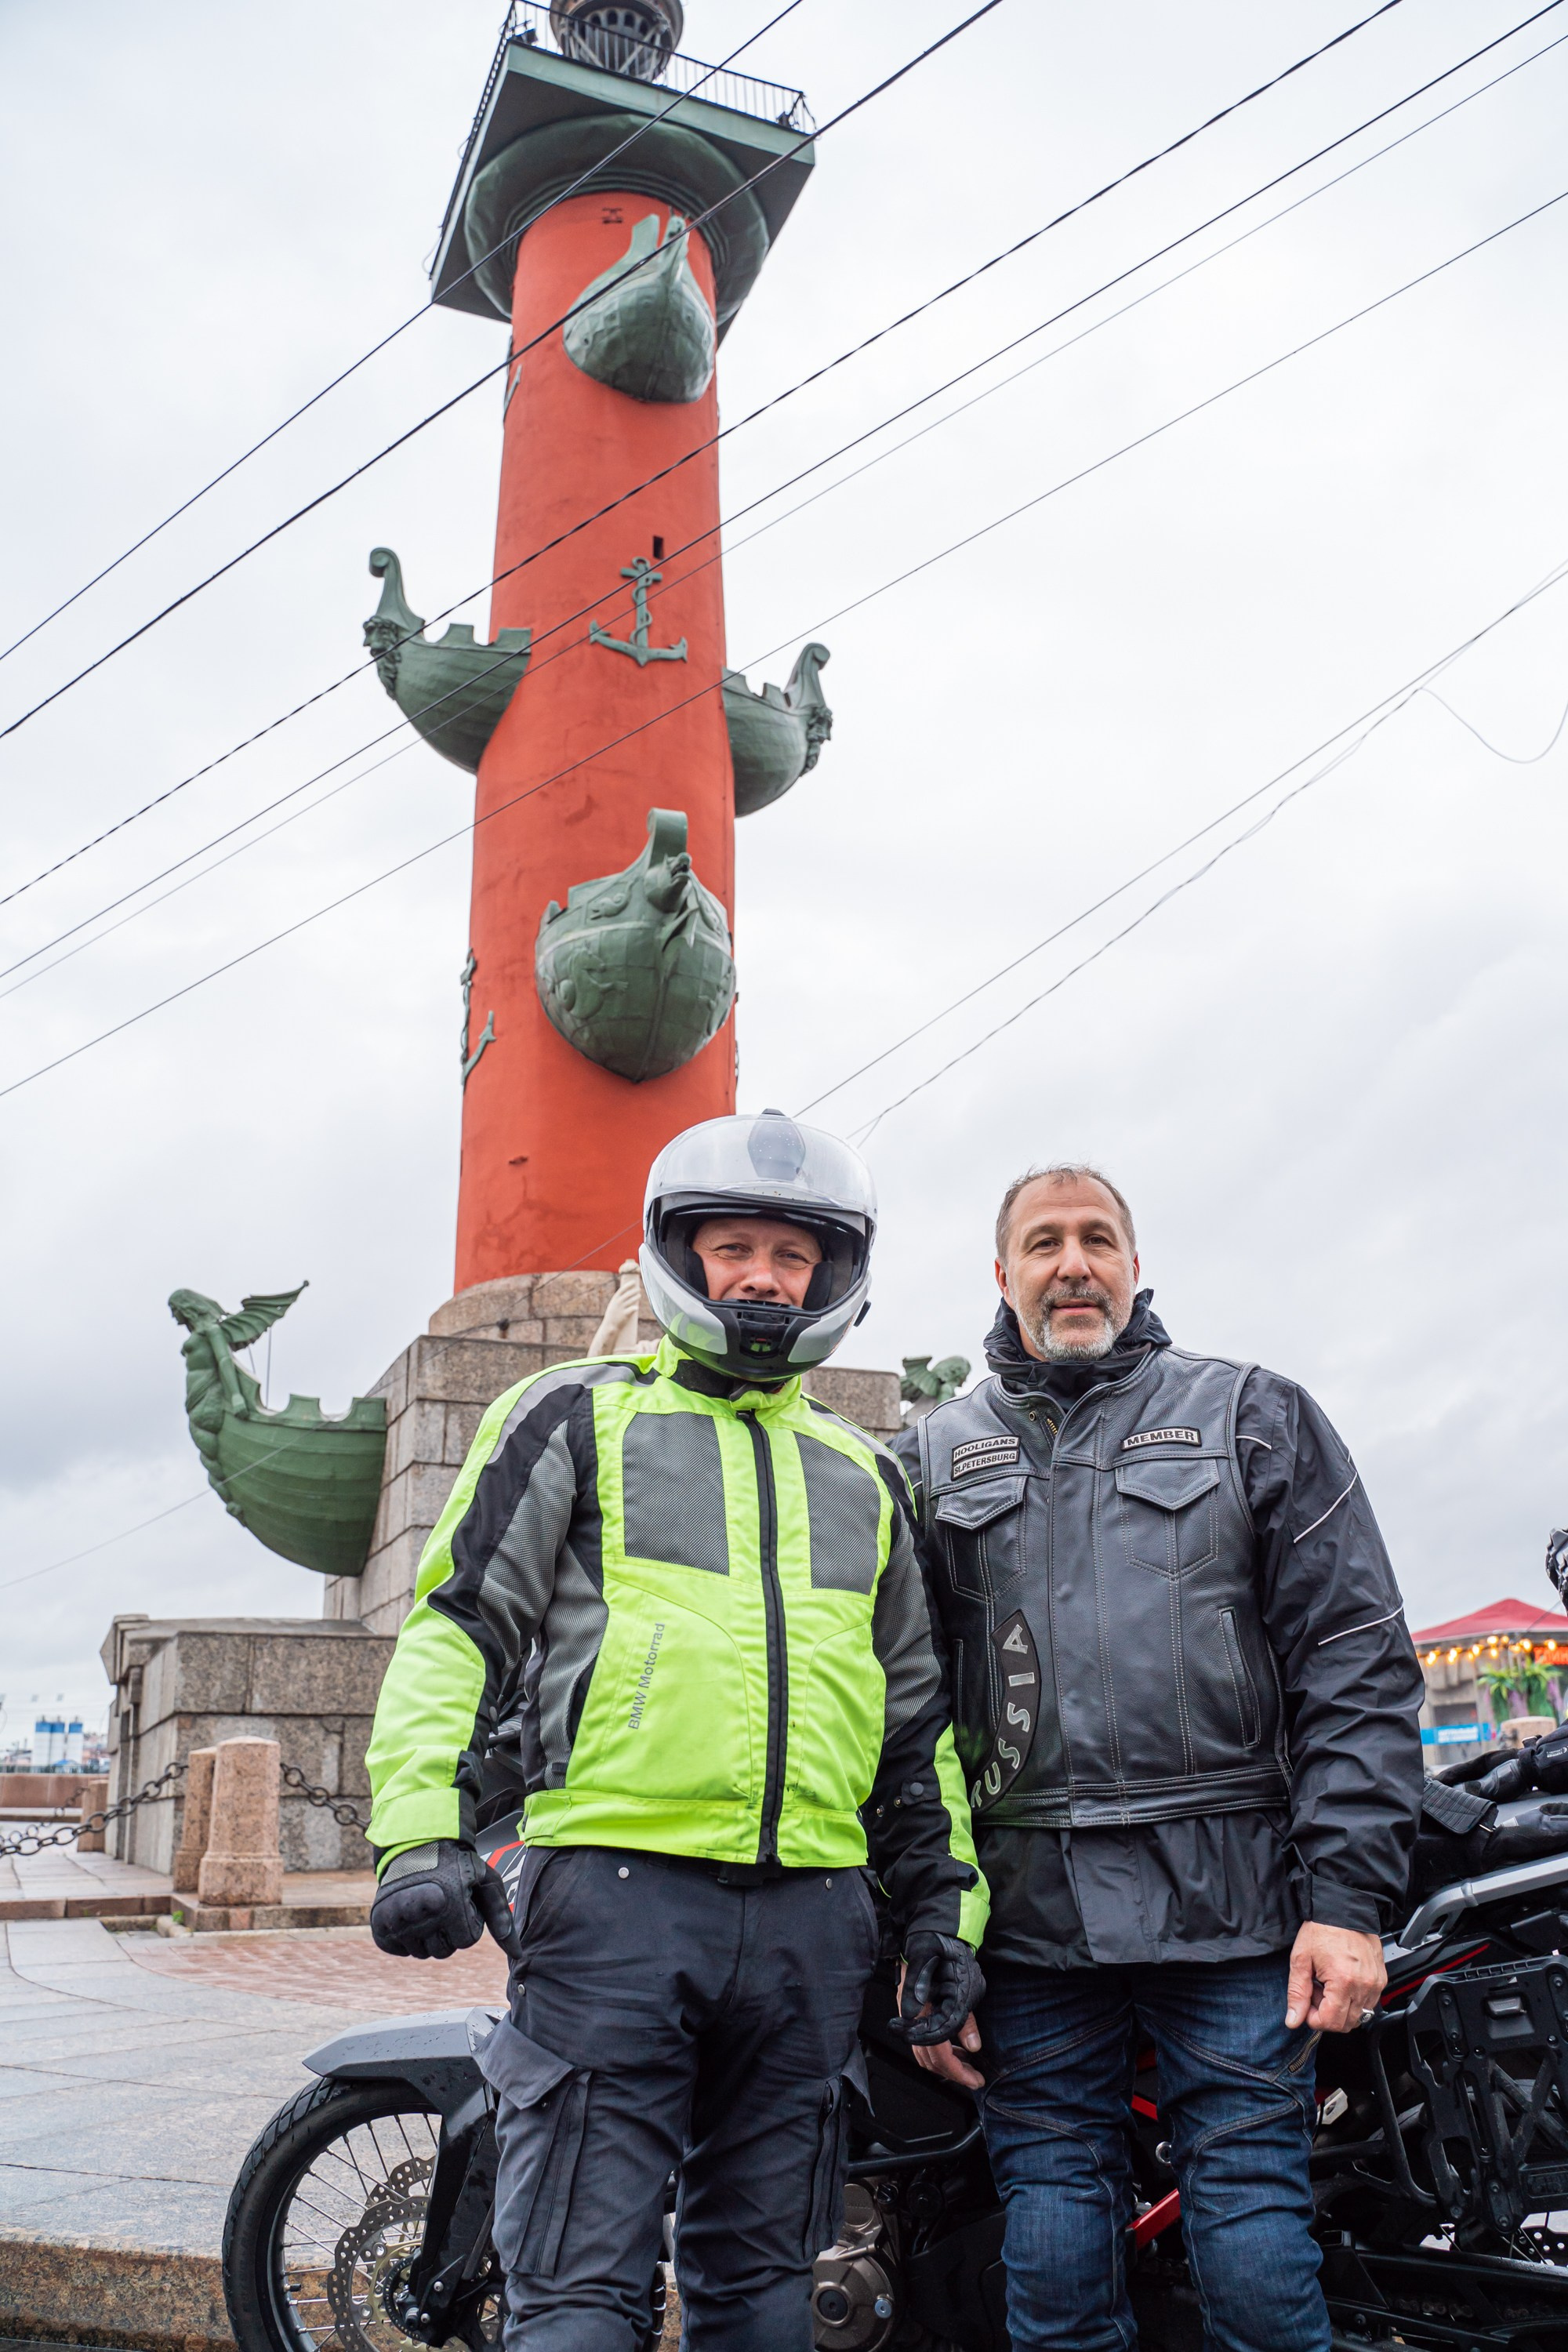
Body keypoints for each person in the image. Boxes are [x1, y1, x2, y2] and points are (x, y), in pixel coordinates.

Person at [363, 1111, 987, 2350]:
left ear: (831, 1276)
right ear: (679, 1254)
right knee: (579, 2289)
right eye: (733, 1247)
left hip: (814, 1922)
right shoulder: (572, 1417)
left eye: (793, 1256)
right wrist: (419, 1829)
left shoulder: (865, 1476)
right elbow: (459, 1628)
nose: (763, 1277)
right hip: (614, 1907)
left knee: (764, 2291)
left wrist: (942, 1916)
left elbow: (915, 1723)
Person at [905, 1163, 1425, 2352]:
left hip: (1234, 1917)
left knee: (1250, 2233)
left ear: (1134, 1266)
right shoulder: (928, 1456)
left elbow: (1353, 1663)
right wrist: (929, 1930)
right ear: (1003, 1274)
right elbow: (902, 1716)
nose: (1073, 1264)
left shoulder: (1254, 1414)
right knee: (1052, 2241)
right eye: (1045, 1242)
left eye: (1098, 1239)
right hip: (1028, 1929)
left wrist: (1345, 1904)